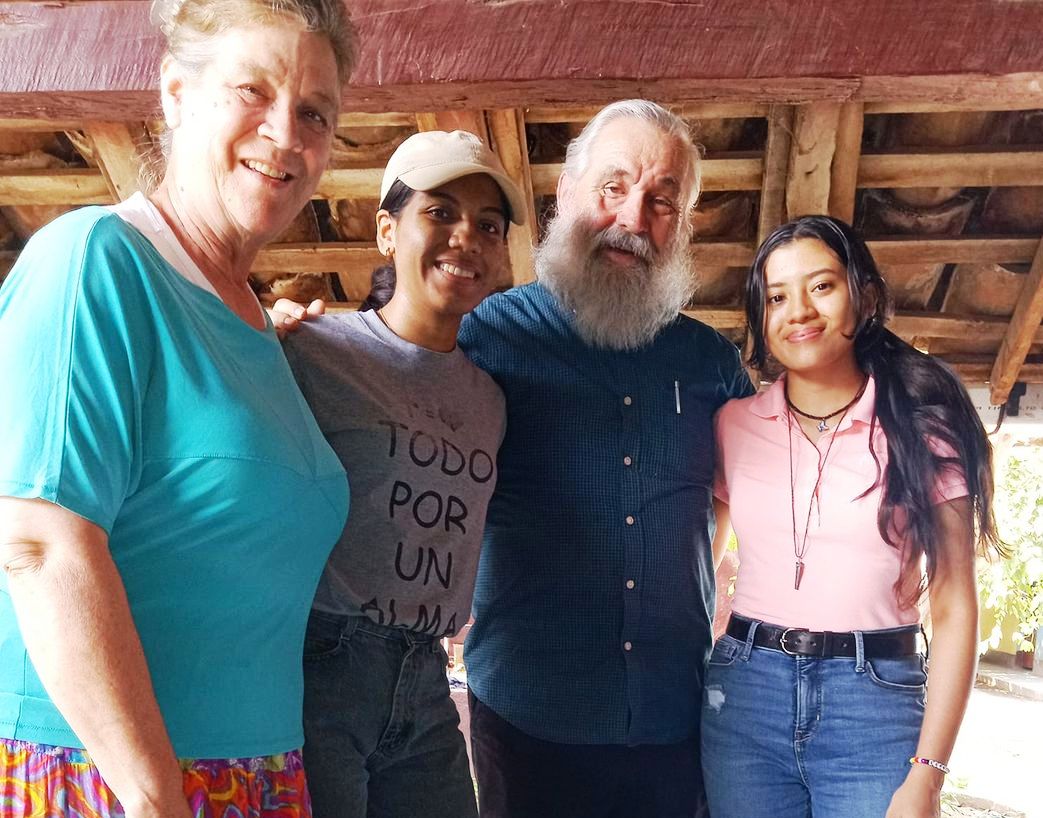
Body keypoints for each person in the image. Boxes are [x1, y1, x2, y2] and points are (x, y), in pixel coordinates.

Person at [0, 1, 355, 816]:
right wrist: (155, 794)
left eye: (314, 112)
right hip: (103, 776)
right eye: (252, 90)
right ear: (175, 92)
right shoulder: (95, 259)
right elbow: (39, 543)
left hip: (255, 773)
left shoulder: (259, 322)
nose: (285, 133)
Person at [458, 99, 754, 818]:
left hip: (670, 716)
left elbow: (742, 493)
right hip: (528, 715)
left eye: (661, 201)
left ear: (682, 224)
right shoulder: (486, 337)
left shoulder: (711, 363)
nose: (633, 219)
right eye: (613, 187)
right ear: (566, 193)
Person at [701, 215, 999, 818]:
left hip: (874, 701)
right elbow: (701, 565)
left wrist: (928, 775)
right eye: (776, 297)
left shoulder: (923, 428)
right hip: (744, 698)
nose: (799, 311)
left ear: (862, 295)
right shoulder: (732, 425)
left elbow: (954, 605)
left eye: (822, 286)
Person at [280, 130, 524, 818]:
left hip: (426, 673)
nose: (466, 237)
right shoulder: (312, 350)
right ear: (387, 231)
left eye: (488, 225)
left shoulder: (490, 400)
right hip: (322, 663)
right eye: (439, 212)